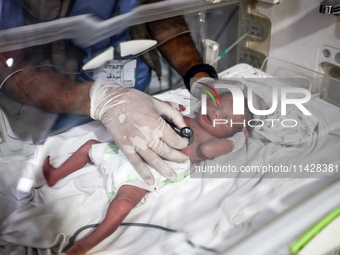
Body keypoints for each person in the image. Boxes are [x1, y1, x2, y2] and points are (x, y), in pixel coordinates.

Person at [0, 0, 219, 185]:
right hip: (58, 108)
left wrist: (198, 75)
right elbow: (7, 62)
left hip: (136, 99)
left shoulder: (200, 121)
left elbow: (162, 13)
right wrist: (100, 98)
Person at [43, 92, 252, 255]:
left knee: (123, 204)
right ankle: (57, 174)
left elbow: (208, 151)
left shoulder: (209, 142)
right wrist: (168, 110)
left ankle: (84, 245)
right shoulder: (186, 117)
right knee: (89, 146)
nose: (216, 112)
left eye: (225, 118)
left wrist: (237, 142)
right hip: (126, 152)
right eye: (217, 104)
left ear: (231, 133)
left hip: (145, 173)